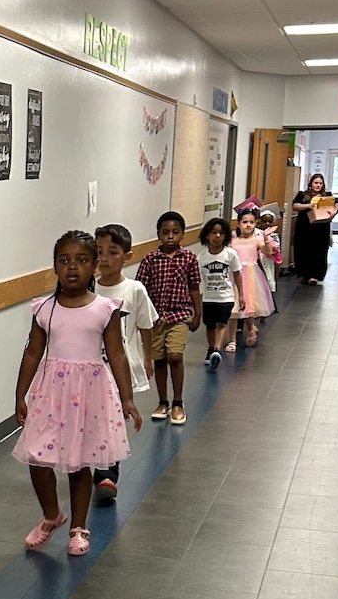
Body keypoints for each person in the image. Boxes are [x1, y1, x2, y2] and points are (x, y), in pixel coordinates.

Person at [14, 230, 141, 555]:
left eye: (82, 260)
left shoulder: (105, 308)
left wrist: (127, 397)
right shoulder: (44, 308)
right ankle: (52, 515)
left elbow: (116, 354)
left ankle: (78, 528)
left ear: (95, 266)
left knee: (80, 462)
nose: (73, 267)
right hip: (50, 394)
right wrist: (20, 395)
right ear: (55, 266)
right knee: (38, 458)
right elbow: (32, 353)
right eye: (64, 260)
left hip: (89, 395)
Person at [93, 222, 157, 497]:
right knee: (92, 419)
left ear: (127, 256)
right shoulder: (87, 288)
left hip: (120, 369)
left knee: (112, 420)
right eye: (98, 251)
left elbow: (145, 326)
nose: (104, 258)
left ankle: (107, 474)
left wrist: (148, 358)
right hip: (90, 369)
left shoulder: (134, 290)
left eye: (112, 252)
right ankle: (90, 464)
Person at [136, 212, 202, 424]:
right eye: (165, 233)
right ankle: (163, 401)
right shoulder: (149, 259)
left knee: (175, 356)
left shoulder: (189, 258)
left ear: (183, 233)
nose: (170, 236)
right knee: (160, 359)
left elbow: (193, 288)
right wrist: (140, 318)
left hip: (179, 315)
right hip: (156, 318)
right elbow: (141, 291)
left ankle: (178, 402)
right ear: (158, 235)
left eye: (175, 232)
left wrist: (197, 313)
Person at [196, 218, 243, 370]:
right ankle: (211, 348)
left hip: (226, 297)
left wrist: (241, 295)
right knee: (210, 325)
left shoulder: (230, 254)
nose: (217, 236)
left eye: (221, 233)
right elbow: (197, 279)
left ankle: (216, 350)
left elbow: (237, 274)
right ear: (207, 236)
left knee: (222, 323)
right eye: (214, 233)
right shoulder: (201, 257)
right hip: (209, 297)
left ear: (226, 236)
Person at [233, 207, 276, 346]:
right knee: (234, 306)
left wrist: (266, 238)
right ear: (239, 224)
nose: (248, 225)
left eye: (251, 222)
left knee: (249, 304)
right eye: (245, 222)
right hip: (236, 275)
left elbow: (268, 252)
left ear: (255, 223)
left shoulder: (256, 240)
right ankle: (232, 337)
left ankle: (250, 328)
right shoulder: (233, 241)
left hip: (251, 275)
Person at [292, 173, 332, 285]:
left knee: (319, 250)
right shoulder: (303, 194)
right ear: (311, 184)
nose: (318, 185)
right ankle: (305, 274)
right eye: (316, 183)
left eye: (320, 183)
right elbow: (295, 206)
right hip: (305, 227)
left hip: (321, 227)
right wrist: (308, 205)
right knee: (303, 250)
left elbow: (333, 206)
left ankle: (315, 275)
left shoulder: (327, 195)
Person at [257, 208, 282, 296]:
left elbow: (277, 248)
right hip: (259, 258)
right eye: (264, 221)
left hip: (269, 259)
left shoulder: (274, 235)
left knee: (270, 274)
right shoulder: (257, 233)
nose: (267, 224)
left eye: (270, 222)